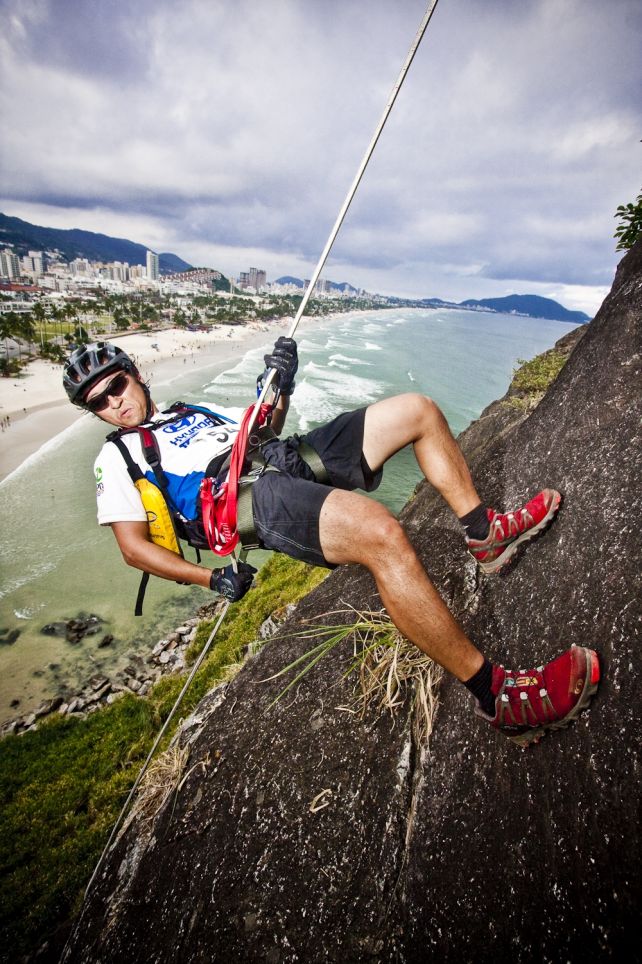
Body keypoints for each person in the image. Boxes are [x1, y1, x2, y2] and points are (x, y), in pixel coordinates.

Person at [63, 340, 600, 747]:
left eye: (116, 387)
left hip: (280, 459)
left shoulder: (190, 409)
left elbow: (263, 430)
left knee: (418, 410)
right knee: (381, 532)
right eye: (100, 404)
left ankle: (483, 533)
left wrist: (282, 384)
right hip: (249, 500)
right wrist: (210, 577)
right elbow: (133, 547)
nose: (115, 404)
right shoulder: (117, 457)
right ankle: (498, 697)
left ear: (135, 376)